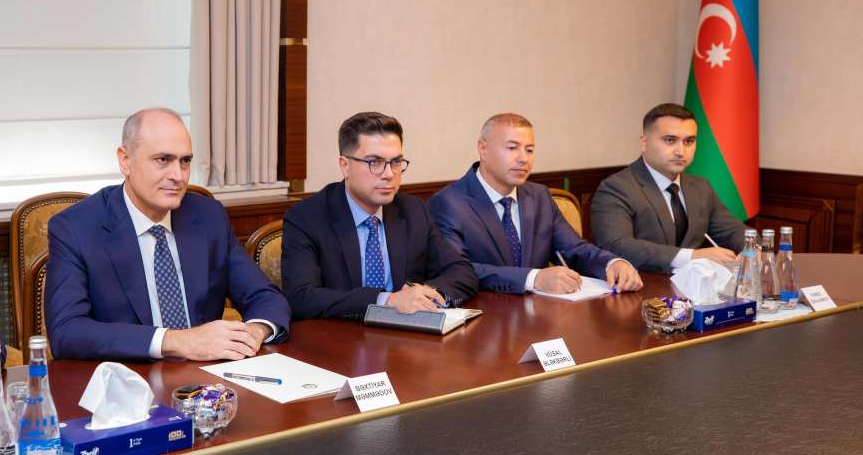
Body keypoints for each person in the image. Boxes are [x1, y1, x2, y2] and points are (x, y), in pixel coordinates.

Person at [45, 108, 290, 360]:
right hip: (129, 375)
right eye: (163, 160)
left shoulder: (208, 216)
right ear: (125, 160)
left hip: (206, 374)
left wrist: (253, 333)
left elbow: (265, 297)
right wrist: (176, 341)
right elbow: (66, 331)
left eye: (185, 161)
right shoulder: (76, 228)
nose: (178, 176)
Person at [282, 112, 478, 319]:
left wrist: (428, 295)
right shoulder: (307, 218)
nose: (389, 174)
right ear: (345, 166)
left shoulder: (413, 210)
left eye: (396, 162)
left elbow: (462, 271)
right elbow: (300, 297)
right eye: (374, 162)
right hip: (342, 333)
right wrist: (386, 300)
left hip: (408, 332)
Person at [428, 113, 642, 294]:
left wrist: (613, 263)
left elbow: (574, 248)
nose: (524, 158)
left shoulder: (539, 196)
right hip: (485, 316)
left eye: (529, 150)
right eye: (512, 148)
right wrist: (533, 278)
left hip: (540, 314)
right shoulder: (448, 203)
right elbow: (458, 270)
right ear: (483, 149)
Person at [590, 103, 747, 274]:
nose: (681, 151)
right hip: (644, 285)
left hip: (694, 286)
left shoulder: (700, 187)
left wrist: (753, 250)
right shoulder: (616, 188)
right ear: (644, 143)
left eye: (689, 141)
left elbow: (734, 231)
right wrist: (691, 256)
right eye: (670, 140)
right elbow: (616, 245)